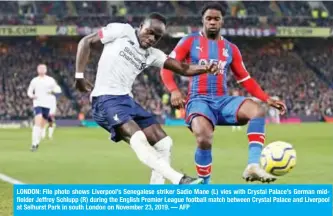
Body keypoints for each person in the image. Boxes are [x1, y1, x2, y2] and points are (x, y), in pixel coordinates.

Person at [74, 13, 219, 184]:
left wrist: (205, 68)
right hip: (105, 99)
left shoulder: (152, 54)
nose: (151, 39)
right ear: (141, 25)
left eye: (157, 37)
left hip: (126, 100)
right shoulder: (122, 30)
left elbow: (183, 68)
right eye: (149, 32)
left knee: (164, 144)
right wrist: (79, 76)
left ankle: (155, 193)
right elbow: (86, 41)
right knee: (139, 140)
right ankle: (179, 180)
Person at [160, 3, 287, 184]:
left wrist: (267, 99)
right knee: (204, 137)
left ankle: (252, 165)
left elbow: (245, 79)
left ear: (222, 21)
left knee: (257, 110)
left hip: (223, 100)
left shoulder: (231, 48)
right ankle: (205, 184)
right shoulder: (189, 41)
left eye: (216, 19)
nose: (212, 22)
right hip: (198, 100)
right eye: (209, 19)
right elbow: (165, 67)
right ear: (202, 21)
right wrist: (173, 90)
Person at [27, 64, 62, 151]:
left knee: (42, 124)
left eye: (43, 68)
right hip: (38, 103)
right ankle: (34, 144)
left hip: (47, 104)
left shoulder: (50, 80)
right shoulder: (34, 80)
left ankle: (37, 142)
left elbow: (58, 89)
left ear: (46, 70)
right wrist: (32, 96)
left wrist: (53, 90)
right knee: (37, 120)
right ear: (37, 70)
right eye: (40, 68)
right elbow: (29, 91)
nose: (42, 70)